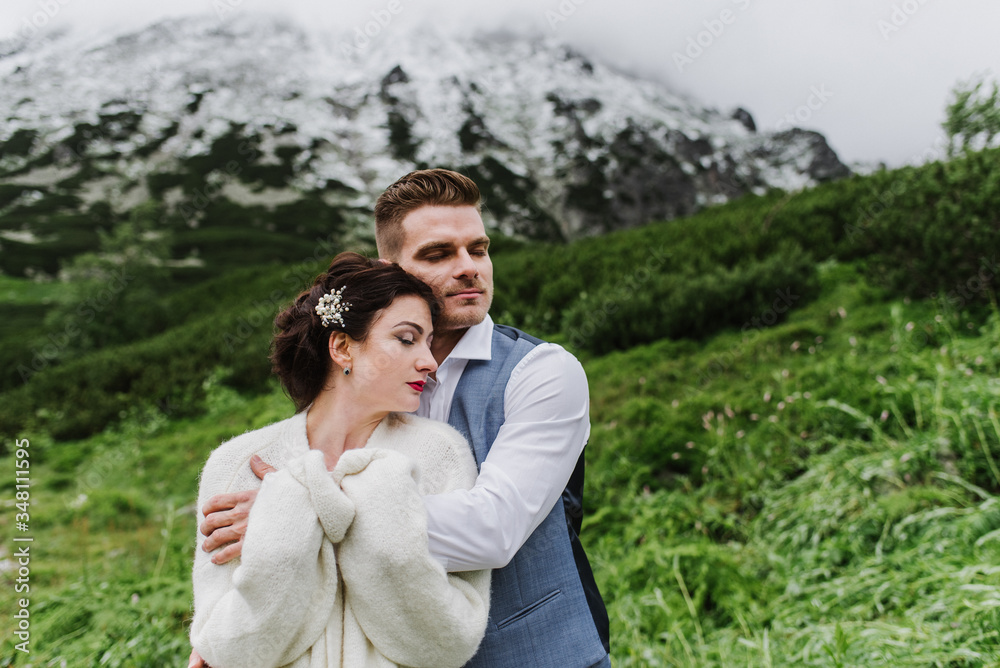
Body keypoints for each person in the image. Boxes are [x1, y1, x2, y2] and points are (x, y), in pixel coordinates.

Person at [194, 169, 610, 668]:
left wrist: (297, 513)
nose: (469, 268)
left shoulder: (542, 372)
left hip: (539, 655)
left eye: (478, 249)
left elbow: (493, 529)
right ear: (394, 270)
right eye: (439, 254)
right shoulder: (362, 377)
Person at [190, 252, 491, 668]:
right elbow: (228, 649)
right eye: (407, 339)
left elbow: (450, 642)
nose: (429, 361)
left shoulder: (439, 454)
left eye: (428, 341)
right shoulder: (236, 463)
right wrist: (289, 512)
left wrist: (317, 500)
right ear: (342, 347)